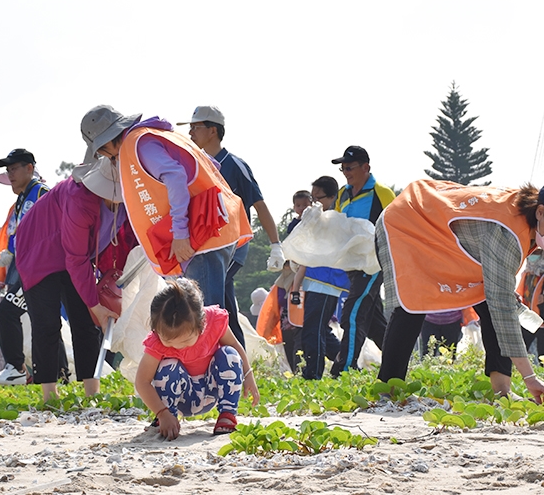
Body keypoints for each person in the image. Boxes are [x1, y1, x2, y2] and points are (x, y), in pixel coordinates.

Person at [376, 179, 544, 403]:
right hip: (405, 221)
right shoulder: (507, 231)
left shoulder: (527, 222)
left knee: (490, 305)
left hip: (443, 236)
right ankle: (388, 388)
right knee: (414, 301)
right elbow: (503, 307)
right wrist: (530, 377)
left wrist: (504, 295)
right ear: (540, 212)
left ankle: (502, 390)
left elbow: (498, 298)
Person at [83, 105, 252, 310]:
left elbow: (175, 176)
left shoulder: (137, 144)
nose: (105, 156)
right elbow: (210, 165)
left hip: (201, 234)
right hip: (212, 224)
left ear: (107, 139)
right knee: (216, 316)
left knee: (205, 318)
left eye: (102, 150)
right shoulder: (154, 134)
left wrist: (180, 232)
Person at [14, 155, 136, 403]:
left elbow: (120, 243)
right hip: (39, 253)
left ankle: (92, 391)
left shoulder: (123, 204)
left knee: (85, 323)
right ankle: (50, 394)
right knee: (47, 325)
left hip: (72, 255)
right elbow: (75, 259)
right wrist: (96, 305)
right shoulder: (79, 199)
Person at [179, 106, 286, 348]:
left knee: (210, 301)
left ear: (213, 131)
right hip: (209, 246)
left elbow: (259, 204)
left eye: (196, 127)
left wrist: (275, 245)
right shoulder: (198, 164)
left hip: (232, 247)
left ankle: (219, 358)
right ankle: (236, 360)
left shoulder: (234, 165)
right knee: (223, 303)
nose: (191, 133)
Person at [134, 279, 259, 440]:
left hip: (210, 389)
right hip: (181, 397)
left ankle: (227, 416)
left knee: (229, 354)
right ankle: (167, 419)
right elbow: (142, 381)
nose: (178, 347)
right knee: (168, 365)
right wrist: (162, 413)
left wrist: (248, 374)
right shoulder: (156, 342)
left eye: (185, 341)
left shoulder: (214, 321)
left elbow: (235, 345)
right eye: (169, 342)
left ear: (202, 324)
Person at [0, 148, 62, 386]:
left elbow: (52, 230)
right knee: (42, 321)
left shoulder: (42, 193)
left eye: (14, 169)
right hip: (23, 267)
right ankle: (58, 374)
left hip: (41, 268)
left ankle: (17, 368)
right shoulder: (21, 199)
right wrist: (9, 251)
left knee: (8, 313)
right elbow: (17, 231)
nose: (10, 175)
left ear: (30, 168)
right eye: (7, 171)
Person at [329, 146, 396, 377]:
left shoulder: (382, 193)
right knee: (374, 322)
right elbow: (337, 226)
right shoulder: (342, 194)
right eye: (343, 168)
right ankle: (398, 361)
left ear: (365, 167)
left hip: (373, 265)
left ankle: (344, 369)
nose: (346, 172)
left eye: (349, 167)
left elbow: (396, 228)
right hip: (352, 266)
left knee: (353, 314)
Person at [291, 176, 347, 379]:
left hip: (326, 281)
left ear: (332, 197)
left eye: (317, 199)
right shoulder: (318, 219)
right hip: (315, 280)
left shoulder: (335, 220)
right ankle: (344, 363)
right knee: (319, 328)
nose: (313, 204)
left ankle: (313, 374)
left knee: (313, 329)